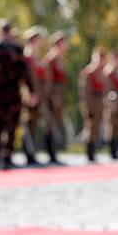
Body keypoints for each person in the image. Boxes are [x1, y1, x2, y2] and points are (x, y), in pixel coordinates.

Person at [0, 20, 32, 170]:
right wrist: (31, 90)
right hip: (13, 93)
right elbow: (25, 73)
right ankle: (6, 157)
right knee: (11, 126)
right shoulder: (17, 48)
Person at [79, 48, 107, 163]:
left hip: (99, 103)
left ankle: (93, 151)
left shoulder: (101, 73)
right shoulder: (88, 72)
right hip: (92, 103)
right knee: (90, 128)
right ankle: (89, 152)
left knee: (96, 129)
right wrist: (88, 107)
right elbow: (85, 92)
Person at [45, 31, 68, 165]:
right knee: (51, 124)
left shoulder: (60, 58)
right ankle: (51, 153)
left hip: (60, 93)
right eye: (64, 43)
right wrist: (50, 97)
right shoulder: (51, 59)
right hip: (53, 94)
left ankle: (54, 152)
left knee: (56, 123)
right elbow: (49, 80)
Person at [23, 26, 45, 166]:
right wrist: (30, 94)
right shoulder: (28, 56)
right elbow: (27, 77)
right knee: (28, 124)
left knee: (34, 124)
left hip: (38, 93)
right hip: (30, 94)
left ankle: (32, 153)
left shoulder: (36, 55)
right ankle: (28, 154)